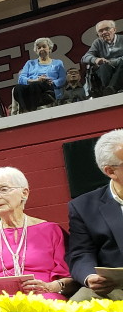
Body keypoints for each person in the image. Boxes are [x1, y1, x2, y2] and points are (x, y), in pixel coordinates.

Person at [0, 168, 72, 302]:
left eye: (3, 189)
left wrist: (50, 287)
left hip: (42, 296)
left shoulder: (52, 231)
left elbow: (71, 279)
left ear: (24, 193)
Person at [67, 128, 123, 300]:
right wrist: (90, 276)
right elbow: (81, 253)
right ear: (110, 172)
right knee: (78, 305)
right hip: (116, 288)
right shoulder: (83, 207)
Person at [15, 37, 66, 112]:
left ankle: (32, 109)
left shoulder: (58, 63)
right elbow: (21, 78)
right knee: (18, 88)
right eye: (39, 48)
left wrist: (52, 82)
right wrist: (35, 80)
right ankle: (24, 110)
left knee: (35, 85)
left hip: (49, 87)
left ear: (50, 48)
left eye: (44, 46)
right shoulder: (29, 63)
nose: (41, 49)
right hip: (32, 84)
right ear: (36, 50)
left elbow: (63, 78)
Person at [81, 20, 123, 96]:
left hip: (121, 66)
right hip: (107, 69)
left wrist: (112, 62)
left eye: (107, 29)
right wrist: (96, 60)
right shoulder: (97, 42)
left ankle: (111, 89)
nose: (104, 32)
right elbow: (85, 57)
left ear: (114, 30)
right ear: (98, 34)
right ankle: (108, 90)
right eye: (101, 31)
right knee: (103, 66)